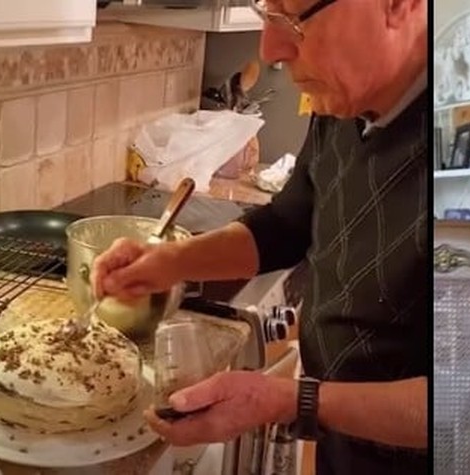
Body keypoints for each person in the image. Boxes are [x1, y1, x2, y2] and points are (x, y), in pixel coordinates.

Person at [91, 0, 429, 473]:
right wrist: (164, 261)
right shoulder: (344, 99)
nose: (271, 49)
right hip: (346, 449)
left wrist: (290, 400)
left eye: (294, 17)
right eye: (267, 12)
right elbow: (286, 225)